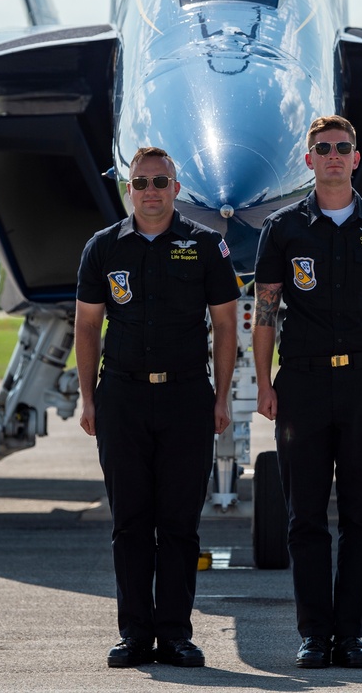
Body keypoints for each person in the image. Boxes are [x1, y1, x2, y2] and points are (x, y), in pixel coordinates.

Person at [252, 115, 362, 669]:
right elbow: (266, 310)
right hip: (302, 384)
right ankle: (314, 635)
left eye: (343, 147)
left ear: (356, 158)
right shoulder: (283, 228)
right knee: (305, 517)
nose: (334, 156)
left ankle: (352, 635)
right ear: (309, 160)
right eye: (324, 148)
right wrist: (264, 381)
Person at [74, 146, 241, 668]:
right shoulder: (103, 249)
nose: (151, 191)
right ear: (129, 188)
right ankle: (135, 635)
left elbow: (226, 325)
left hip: (186, 396)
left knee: (178, 524)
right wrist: (88, 398)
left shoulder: (207, 245)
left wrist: (221, 397)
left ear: (176, 188)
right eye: (141, 182)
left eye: (161, 183)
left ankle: (175, 633)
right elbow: (86, 326)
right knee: (129, 522)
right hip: (121, 396)